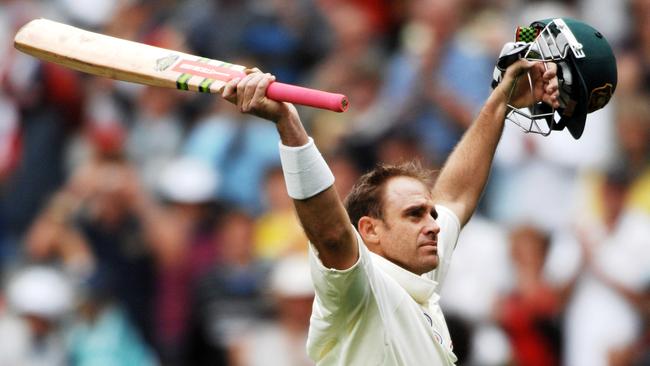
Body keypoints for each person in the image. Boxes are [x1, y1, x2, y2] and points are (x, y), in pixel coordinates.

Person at [218, 53, 557, 364]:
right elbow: (333, 235)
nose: (434, 225)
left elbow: (456, 195)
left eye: (430, 214)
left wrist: (502, 100)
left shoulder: (419, 271)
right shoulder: (357, 290)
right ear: (370, 230)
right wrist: (289, 125)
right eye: (414, 214)